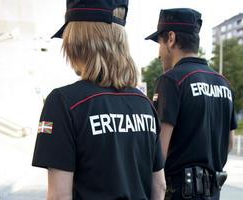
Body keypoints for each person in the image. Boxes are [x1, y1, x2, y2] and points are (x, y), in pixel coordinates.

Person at [32, 0, 166, 199]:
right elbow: (159, 186)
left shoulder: (64, 102)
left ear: (76, 42)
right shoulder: (143, 103)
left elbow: (59, 196)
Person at [145, 8, 237, 200]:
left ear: (171, 39)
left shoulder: (171, 80)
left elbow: (158, 153)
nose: (159, 54)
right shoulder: (223, 82)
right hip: (213, 193)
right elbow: (229, 143)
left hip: (179, 192)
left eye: (159, 44)